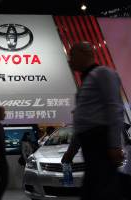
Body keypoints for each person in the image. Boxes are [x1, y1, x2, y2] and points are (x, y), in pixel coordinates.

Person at [61, 42, 124, 200]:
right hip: (90, 146)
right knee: (96, 191)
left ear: (85, 54)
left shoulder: (103, 73)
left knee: (101, 191)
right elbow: (82, 123)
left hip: (100, 143)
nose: (69, 60)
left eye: (72, 55)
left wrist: (115, 145)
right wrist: (71, 150)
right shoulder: (86, 82)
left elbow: (115, 108)